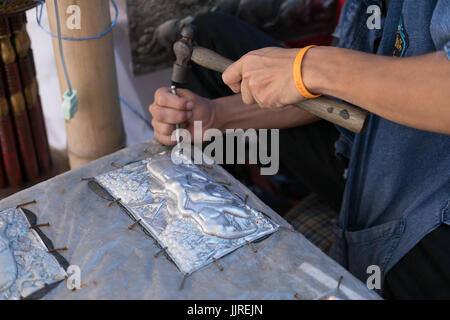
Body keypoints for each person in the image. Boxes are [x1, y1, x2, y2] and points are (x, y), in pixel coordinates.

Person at [149, 0, 450, 299]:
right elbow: (352, 92)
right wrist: (214, 117)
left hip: (429, 209)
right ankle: (246, 205)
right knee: (212, 35)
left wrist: (313, 66)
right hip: (372, 148)